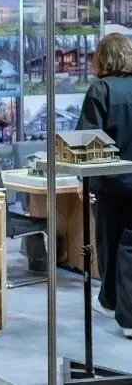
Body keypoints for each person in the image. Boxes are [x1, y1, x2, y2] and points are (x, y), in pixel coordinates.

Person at [75, 33, 132, 337]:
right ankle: (124, 313)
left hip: (109, 183)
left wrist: (81, 180)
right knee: (130, 246)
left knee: (108, 244)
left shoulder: (100, 89)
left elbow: (86, 141)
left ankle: (113, 305)